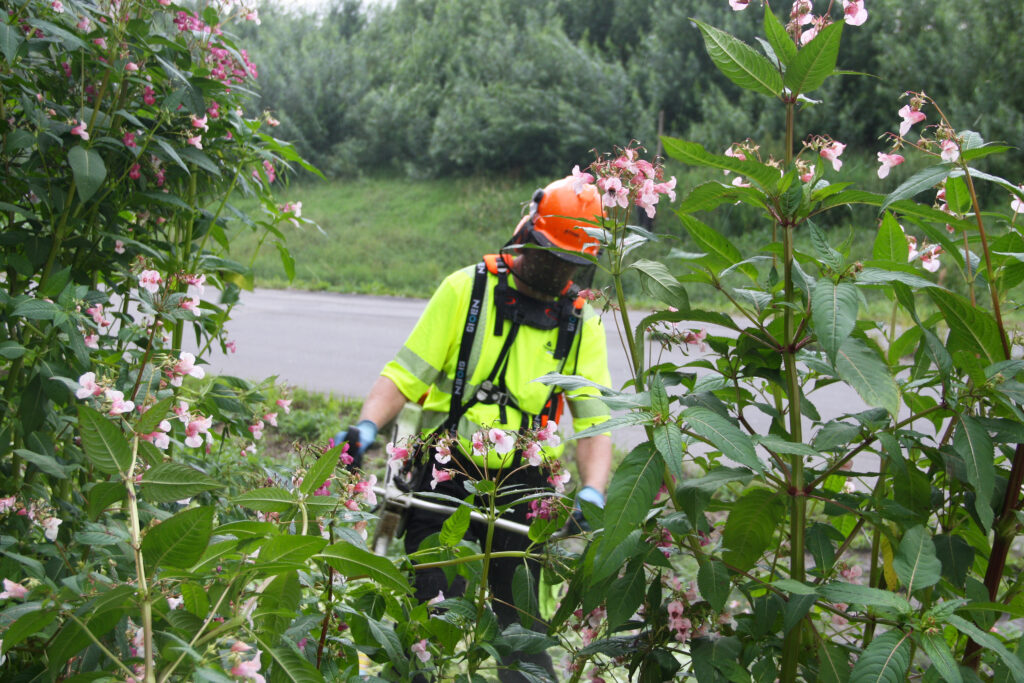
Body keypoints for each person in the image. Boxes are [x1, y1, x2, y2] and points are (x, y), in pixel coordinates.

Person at [339, 175, 613, 682]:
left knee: (524, 644)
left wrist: (594, 491)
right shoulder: (466, 290)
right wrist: (365, 427)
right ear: (529, 232)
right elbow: (402, 377)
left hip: (524, 490)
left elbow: (595, 425)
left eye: (571, 265)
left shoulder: (583, 322)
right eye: (551, 256)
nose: (558, 272)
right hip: (445, 478)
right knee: (432, 628)